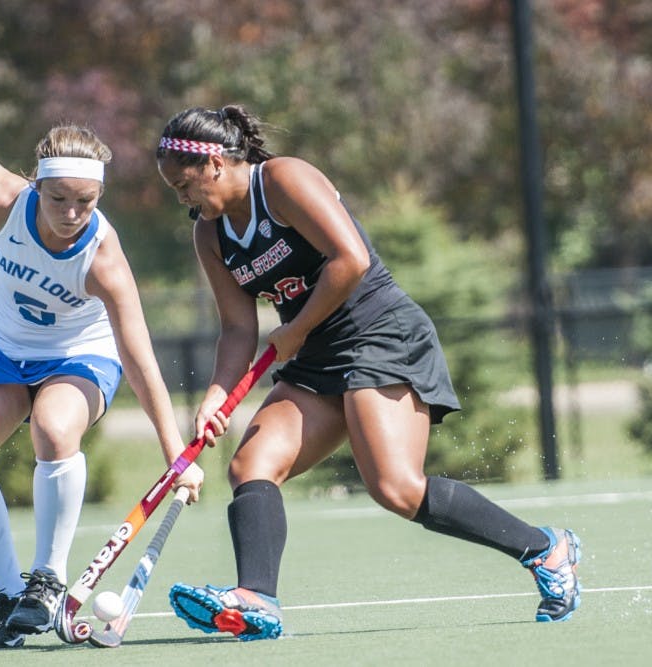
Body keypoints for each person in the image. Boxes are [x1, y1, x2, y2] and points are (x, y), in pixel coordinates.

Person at [154, 106, 581, 641]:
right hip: (315, 354)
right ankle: (256, 598)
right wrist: (217, 396)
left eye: (183, 185)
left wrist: (298, 328)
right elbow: (237, 328)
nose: (182, 199)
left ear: (214, 162)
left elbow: (350, 260)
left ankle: (546, 549)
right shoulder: (210, 236)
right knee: (251, 464)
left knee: (396, 488)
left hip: (379, 333)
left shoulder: (283, 179)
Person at [0, 92, 204, 650]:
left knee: (53, 428)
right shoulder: (3, 198)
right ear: (36, 186)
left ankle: (47, 581)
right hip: (0, 345)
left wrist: (175, 453)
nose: (72, 214)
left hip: (79, 354)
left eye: (86, 201)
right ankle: (10, 599)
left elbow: (140, 357)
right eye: (59, 199)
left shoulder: (102, 257)